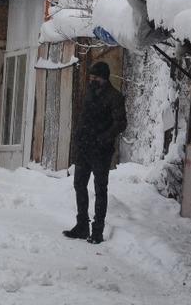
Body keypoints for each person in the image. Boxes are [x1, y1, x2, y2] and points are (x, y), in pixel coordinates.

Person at [63, 61, 127, 244]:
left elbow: (121, 123)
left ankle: (97, 231)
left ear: (104, 78)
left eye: (96, 77)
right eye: (91, 77)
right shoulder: (89, 93)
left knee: (100, 189)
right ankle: (82, 225)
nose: (92, 80)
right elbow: (83, 117)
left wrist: (103, 138)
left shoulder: (115, 97)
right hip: (84, 147)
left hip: (101, 150)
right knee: (79, 184)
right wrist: (78, 136)